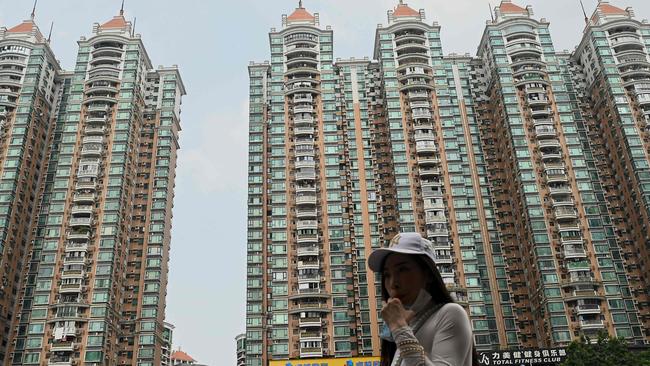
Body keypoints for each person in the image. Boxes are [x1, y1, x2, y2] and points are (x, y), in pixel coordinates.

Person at [367, 232, 476, 366]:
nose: (392, 283)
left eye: (403, 270)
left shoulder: (451, 313)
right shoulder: (408, 325)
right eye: (387, 274)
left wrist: (400, 329)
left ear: (428, 274)